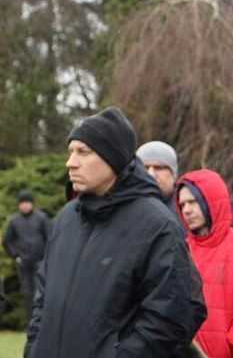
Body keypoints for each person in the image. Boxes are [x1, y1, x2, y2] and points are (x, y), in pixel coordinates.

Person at [25, 107, 205, 357]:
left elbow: (174, 315)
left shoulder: (156, 225)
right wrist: (34, 348)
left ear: (113, 158)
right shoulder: (66, 219)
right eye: (71, 151)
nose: (70, 162)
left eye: (83, 152)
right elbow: (43, 300)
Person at [180, 169, 233, 358]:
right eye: (182, 204)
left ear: (211, 200)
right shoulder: (181, 247)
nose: (186, 210)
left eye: (192, 202)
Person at [3, 191, 50, 326]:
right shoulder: (14, 220)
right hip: (23, 263)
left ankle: (42, 323)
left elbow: (50, 239)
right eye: (22, 203)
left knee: (40, 292)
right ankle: (30, 324)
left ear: (32, 203)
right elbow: (7, 241)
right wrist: (15, 256)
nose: (24, 205)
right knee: (27, 293)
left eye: (27, 202)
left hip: (40, 262)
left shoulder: (41, 218)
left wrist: (46, 257)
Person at [137, 139, 180, 217]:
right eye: (145, 167)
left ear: (173, 173)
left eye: (158, 168)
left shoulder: (186, 213)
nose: (151, 174)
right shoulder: (121, 210)